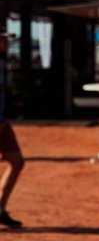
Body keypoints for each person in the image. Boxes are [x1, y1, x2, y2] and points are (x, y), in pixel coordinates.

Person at [0, 28, 24, 227]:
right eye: (2, 40)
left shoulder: (2, 62)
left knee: (16, 160)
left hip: (2, 121)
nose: (6, 43)